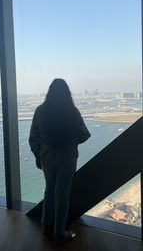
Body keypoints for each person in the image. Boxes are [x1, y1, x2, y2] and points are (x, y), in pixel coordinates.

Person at [29, 79, 91, 243]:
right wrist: (71, 142)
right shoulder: (72, 111)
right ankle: (59, 233)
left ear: (49, 93)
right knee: (62, 195)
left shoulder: (40, 111)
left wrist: (38, 155)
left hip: (47, 157)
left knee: (49, 190)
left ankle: (46, 225)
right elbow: (84, 134)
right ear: (67, 93)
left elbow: (33, 138)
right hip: (67, 158)